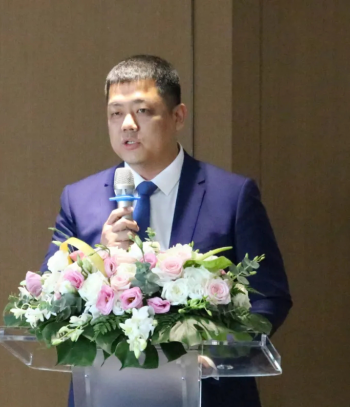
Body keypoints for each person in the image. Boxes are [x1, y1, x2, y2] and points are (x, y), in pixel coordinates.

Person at [41, 55, 292, 407]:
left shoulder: (232, 196)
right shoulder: (79, 199)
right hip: (107, 393)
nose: (127, 125)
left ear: (178, 116)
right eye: (115, 113)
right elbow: (48, 300)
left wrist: (215, 356)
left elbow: (269, 296)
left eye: (142, 111)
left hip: (210, 394)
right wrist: (97, 255)